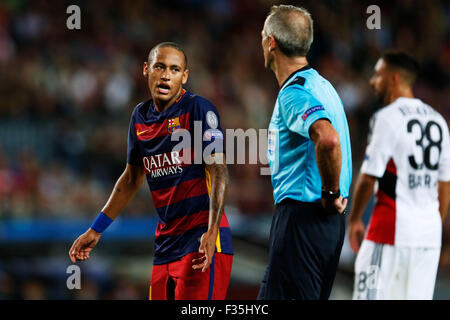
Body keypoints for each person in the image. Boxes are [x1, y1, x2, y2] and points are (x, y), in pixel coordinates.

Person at [69, 42, 233, 300]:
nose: (166, 75)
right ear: (147, 70)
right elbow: (132, 177)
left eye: (175, 69)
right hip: (166, 245)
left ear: (184, 76)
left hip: (202, 239)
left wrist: (212, 231)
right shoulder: (140, 116)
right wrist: (96, 229)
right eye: (160, 66)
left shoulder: (198, 108)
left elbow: (219, 170)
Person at [258, 5, 352, 300]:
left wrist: (329, 192)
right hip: (329, 225)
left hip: (302, 218)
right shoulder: (324, 87)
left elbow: (328, 139)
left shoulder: (294, 93)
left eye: (262, 35)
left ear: (271, 42)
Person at [348, 50, 450, 300]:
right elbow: (445, 185)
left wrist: (354, 220)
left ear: (394, 78)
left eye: (378, 74)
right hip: (428, 236)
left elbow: (368, 177)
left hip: (389, 231)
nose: (373, 81)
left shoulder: (387, 117)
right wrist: (430, 225)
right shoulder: (439, 121)